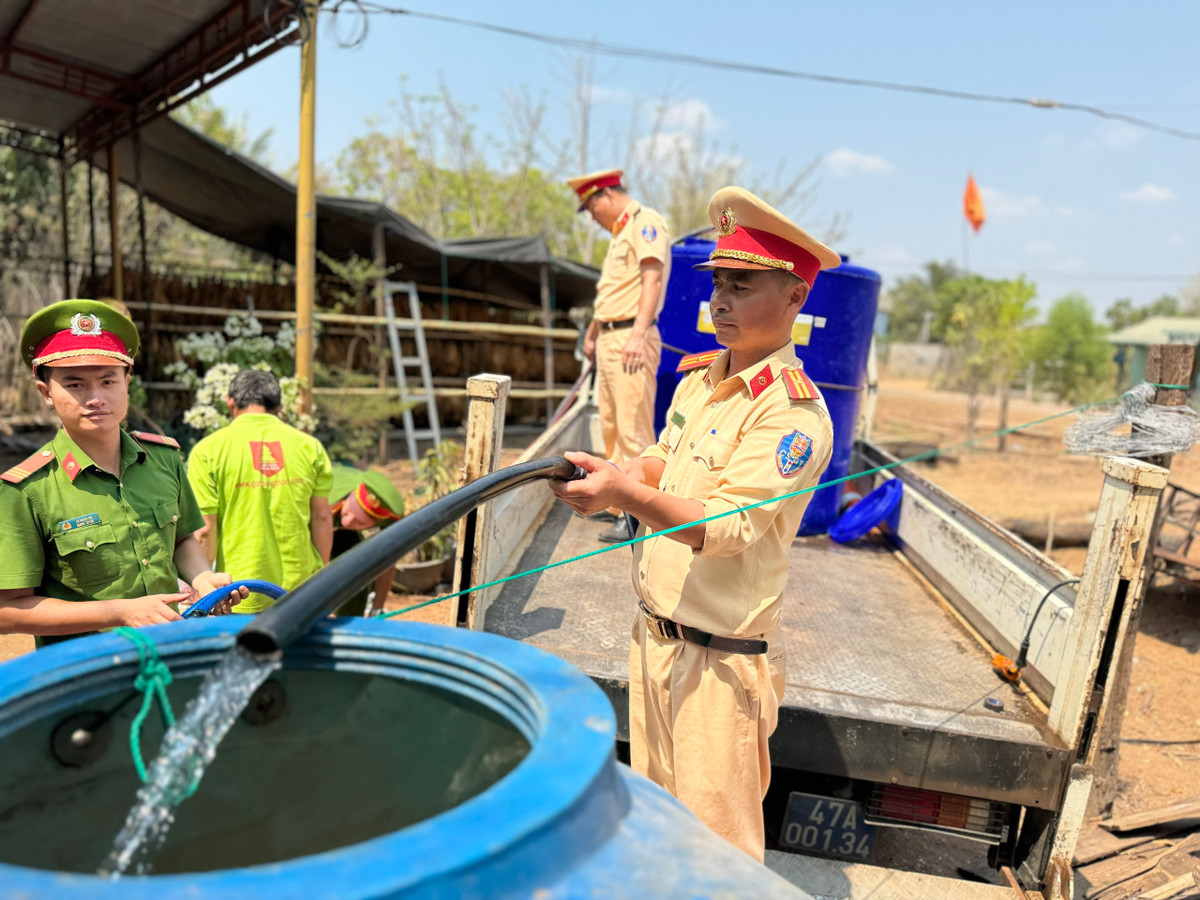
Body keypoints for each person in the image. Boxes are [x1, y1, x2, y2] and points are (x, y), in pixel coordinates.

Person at [549, 187, 839, 860]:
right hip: (655, 640)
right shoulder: (699, 383)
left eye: (743, 285)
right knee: (659, 833)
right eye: (718, 284)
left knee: (716, 854)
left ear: (795, 299)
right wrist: (618, 473)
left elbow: (725, 527)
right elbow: (659, 463)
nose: (721, 300)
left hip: (718, 664)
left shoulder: (792, 413)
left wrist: (622, 494)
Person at [0, 299, 245, 645]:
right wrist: (119, 612)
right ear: (46, 392)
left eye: (107, 381)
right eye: (75, 385)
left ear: (127, 381)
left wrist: (203, 578)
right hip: (87, 675)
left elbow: (184, 538)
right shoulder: (27, 489)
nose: (95, 397)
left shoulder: (163, 459)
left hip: (168, 655)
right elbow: (7, 611)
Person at [567, 169, 671, 543]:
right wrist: (593, 334)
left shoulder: (646, 224)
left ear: (604, 197)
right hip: (612, 336)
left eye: (591, 210)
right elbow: (612, 293)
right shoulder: (620, 234)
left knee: (632, 428)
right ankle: (615, 502)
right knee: (610, 424)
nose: (593, 218)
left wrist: (638, 334)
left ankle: (634, 512)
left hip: (631, 335)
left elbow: (651, 280)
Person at [186, 369, 333, 612]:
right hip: (301, 591)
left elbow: (205, 529)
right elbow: (322, 517)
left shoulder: (208, 450)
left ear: (230, 402)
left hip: (237, 594)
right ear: (278, 405)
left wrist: (207, 590)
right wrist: (322, 578)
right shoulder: (310, 447)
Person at [328, 463, 405, 617]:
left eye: (360, 522)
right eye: (351, 511)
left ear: (378, 522)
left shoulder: (390, 515)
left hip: (340, 532)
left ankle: (349, 624)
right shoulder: (327, 496)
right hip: (306, 523)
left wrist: (377, 608)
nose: (350, 521)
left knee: (358, 570)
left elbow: (388, 559)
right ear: (352, 496)